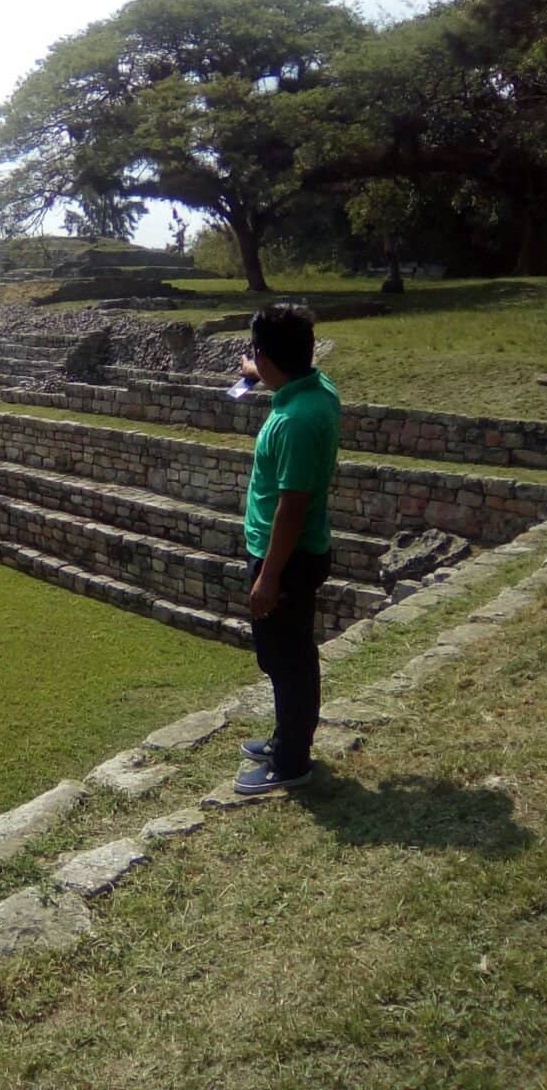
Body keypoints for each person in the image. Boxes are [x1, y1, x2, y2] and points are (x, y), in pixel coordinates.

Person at [233, 303, 340, 795]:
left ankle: (292, 760)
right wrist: (256, 369)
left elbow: (291, 507)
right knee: (286, 656)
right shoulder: (318, 391)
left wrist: (269, 577)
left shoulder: (295, 422)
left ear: (271, 357)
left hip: (287, 557)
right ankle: (286, 737)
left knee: (287, 660)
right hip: (297, 552)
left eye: (258, 355)